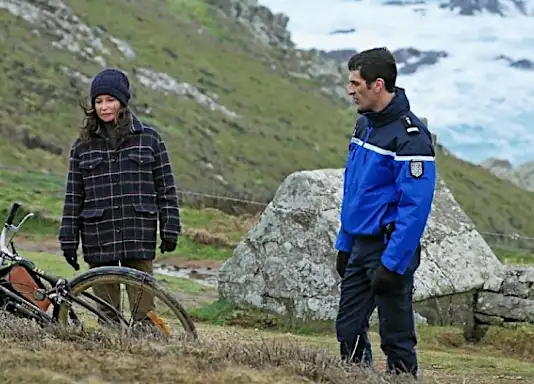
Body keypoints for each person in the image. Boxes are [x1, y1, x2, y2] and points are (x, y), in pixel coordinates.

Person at [334, 47, 436, 378]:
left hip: (390, 250)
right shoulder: (364, 127)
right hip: (359, 247)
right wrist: (344, 243)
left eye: (355, 83)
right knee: (347, 330)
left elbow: (414, 209)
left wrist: (392, 265)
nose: (350, 90)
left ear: (378, 85)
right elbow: (354, 190)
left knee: (396, 339)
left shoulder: (412, 138)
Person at [58, 68, 181, 324]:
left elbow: (166, 188)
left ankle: (147, 354)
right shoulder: (82, 146)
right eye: (98, 101)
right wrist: (68, 240)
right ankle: (110, 358)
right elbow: (73, 197)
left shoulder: (150, 139)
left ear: (123, 101)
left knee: (145, 315)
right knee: (106, 315)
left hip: (139, 233)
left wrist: (171, 229)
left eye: (110, 100)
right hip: (98, 237)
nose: (104, 107)